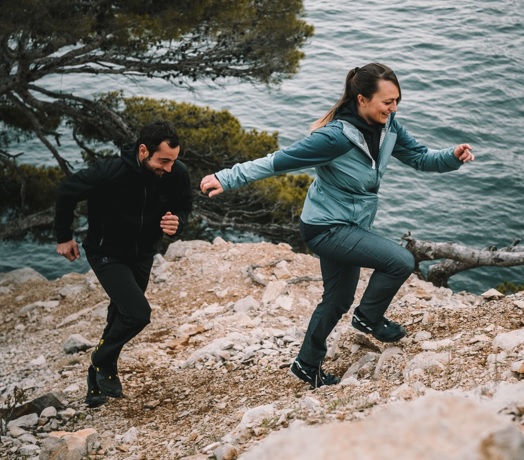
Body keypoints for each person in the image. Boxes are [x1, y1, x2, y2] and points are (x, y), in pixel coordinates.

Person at [200, 63, 474, 389]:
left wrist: (452, 157)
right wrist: (226, 178)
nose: (394, 107)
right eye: (387, 101)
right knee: (400, 260)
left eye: (397, 100)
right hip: (326, 227)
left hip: (350, 226)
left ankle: (307, 364)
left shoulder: (389, 128)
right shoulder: (334, 138)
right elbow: (279, 161)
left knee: (337, 300)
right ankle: (368, 319)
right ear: (362, 99)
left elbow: (420, 158)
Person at [55, 121, 193, 407]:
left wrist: (177, 223)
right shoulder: (109, 172)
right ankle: (100, 359)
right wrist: (64, 237)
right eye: (163, 160)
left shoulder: (176, 173)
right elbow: (67, 190)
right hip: (106, 252)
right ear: (143, 151)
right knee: (137, 313)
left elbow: (183, 206)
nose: (168, 168)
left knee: (120, 312)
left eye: (173, 161)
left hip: (142, 252)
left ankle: (98, 379)